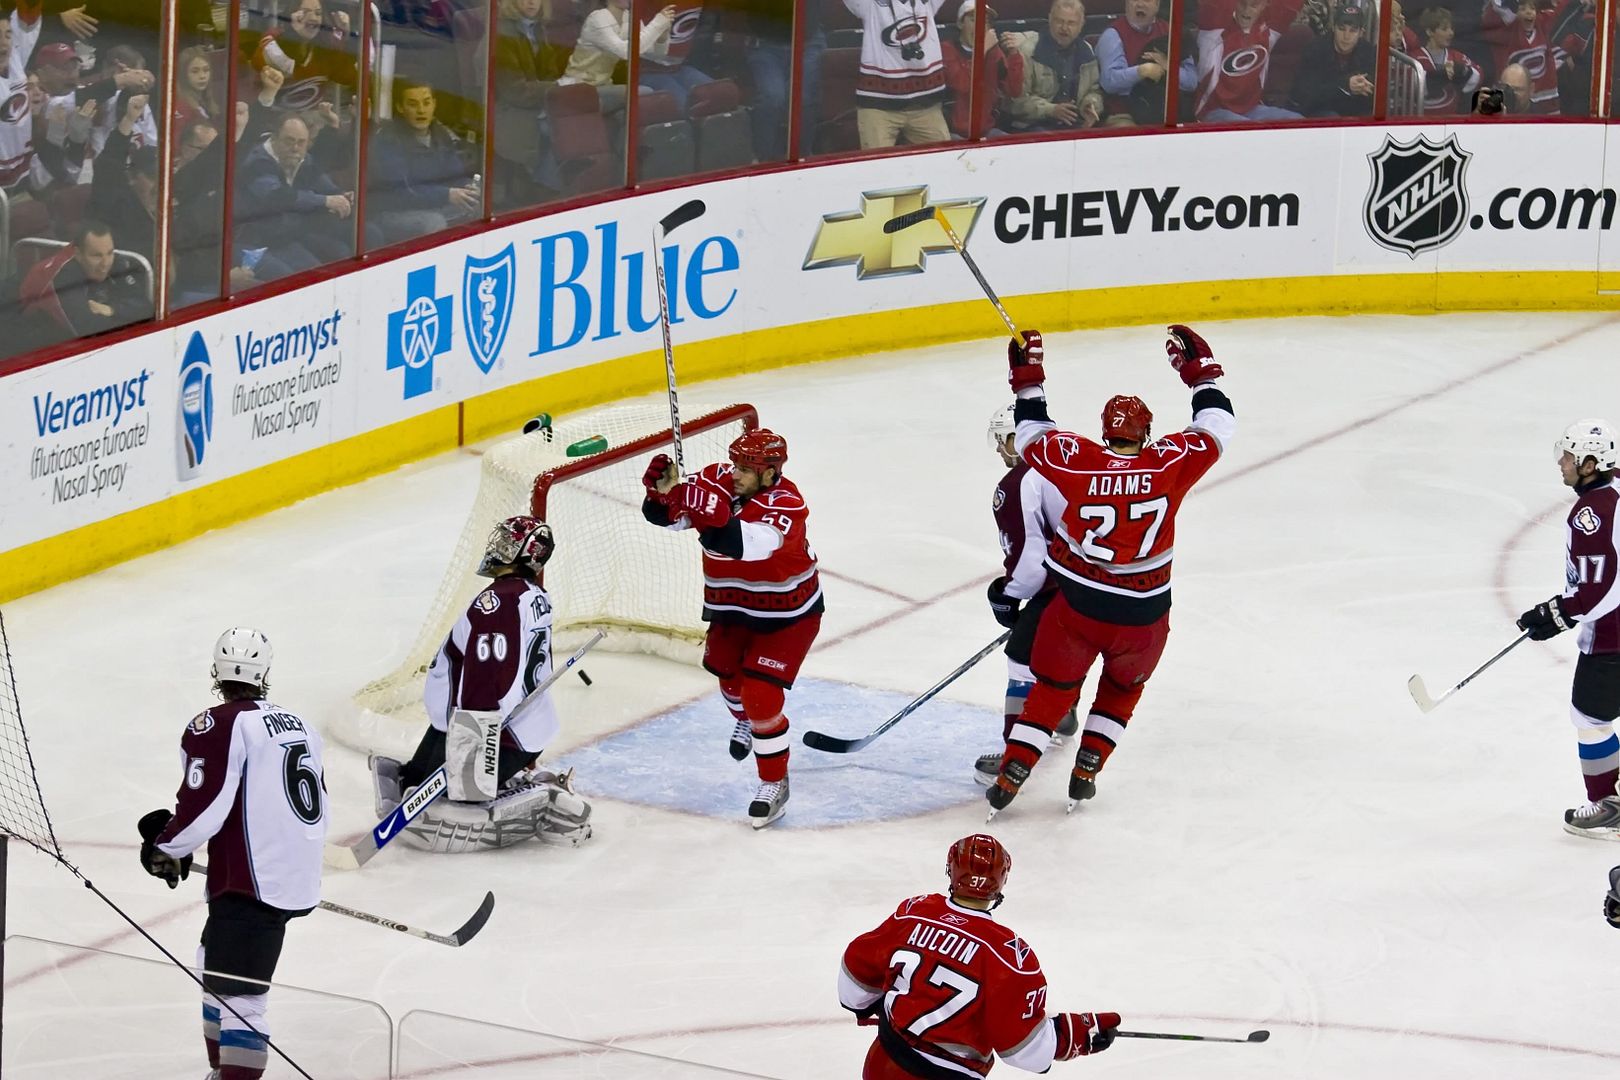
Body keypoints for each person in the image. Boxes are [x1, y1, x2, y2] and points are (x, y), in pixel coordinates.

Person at [984, 325, 1236, 817]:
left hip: (1078, 611)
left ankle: (1013, 772)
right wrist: (1201, 374)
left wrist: (1028, 377)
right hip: (1144, 618)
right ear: (1146, 434)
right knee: (1122, 689)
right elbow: (1218, 425)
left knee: (1052, 689)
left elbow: (1031, 433)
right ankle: (1087, 771)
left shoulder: (1079, 460)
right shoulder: (1169, 463)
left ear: (1105, 432)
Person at [137, 628, 326, 1080]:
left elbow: (205, 805)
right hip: (287, 873)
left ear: (216, 672)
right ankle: (221, 1071)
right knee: (212, 961)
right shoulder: (300, 723)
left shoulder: (217, 724)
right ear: (265, 673)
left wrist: (166, 846)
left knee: (243, 1001)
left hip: (251, 882)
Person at [376, 515, 593, 851]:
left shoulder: (498, 602)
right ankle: (504, 780)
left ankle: (545, 792)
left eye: (508, 543)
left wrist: (474, 739)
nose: (497, 547)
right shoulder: (529, 594)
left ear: (526, 554)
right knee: (413, 783)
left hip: (496, 731)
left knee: (447, 801)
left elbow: (490, 674)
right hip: (479, 723)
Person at [641, 430, 822, 828]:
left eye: (746, 469)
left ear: (770, 473)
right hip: (733, 607)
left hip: (788, 614)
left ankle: (773, 783)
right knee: (728, 678)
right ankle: (747, 719)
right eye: (735, 465)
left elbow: (743, 544)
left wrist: (703, 506)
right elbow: (672, 519)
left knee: (760, 697)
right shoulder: (717, 478)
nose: (736, 474)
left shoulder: (787, 504)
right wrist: (663, 496)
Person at [839, 833, 1121, 1077]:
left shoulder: (914, 912)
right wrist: (1073, 1033)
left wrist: (867, 1005)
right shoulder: (1010, 955)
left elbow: (855, 976)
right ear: (1001, 881)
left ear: (951, 869)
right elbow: (1025, 1051)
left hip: (883, 1063)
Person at [1513, 420, 1620, 839]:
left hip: (1612, 637)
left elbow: (1599, 590)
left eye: (1571, 457)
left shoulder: (1592, 514)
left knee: (1590, 716)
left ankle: (1610, 807)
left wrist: (1557, 613)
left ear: (1591, 464)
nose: (1562, 463)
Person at [975, 404, 1077, 786]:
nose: (1001, 451)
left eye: (1003, 441)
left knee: (1022, 656)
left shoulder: (1019, 482)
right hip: (1111, 580)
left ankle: (1014, 759)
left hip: (1067, 583)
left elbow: (1031, 561)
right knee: (1069, 643)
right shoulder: (1073, 460)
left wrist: (1008, 594)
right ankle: (1063, 709)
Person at [234, 114, 353, 281]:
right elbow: (278, 197)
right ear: (274, 138)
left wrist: (341, 195)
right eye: (289, 141)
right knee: (287, 278)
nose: (295, 148)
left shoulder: (302, 160)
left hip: (283, 238)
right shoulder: (256, 162)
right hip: (250, 242)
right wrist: (325, 201)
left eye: (301, 142)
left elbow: (320, 181)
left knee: (318, 271)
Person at [366, 78, 480, 247]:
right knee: (433, 223)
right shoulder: (387, 140)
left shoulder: (440, 133)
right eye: (413, 104)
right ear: (400, 108)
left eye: (426, 103)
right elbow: (402, 192)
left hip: (433, 203)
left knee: (478, 202)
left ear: (434, 104)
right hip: (392, 211)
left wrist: (467, 187)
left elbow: (455, 173)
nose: (421, 110)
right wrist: (447, 195)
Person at [842, 0, 951, 149]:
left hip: (925, 106)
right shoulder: (870, 5)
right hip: (878, 107)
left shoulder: (927, 2)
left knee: (944, 158)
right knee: (876, 162)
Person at [20, 219, 150, 340]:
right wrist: (128, 316)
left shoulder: (116, 262)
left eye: (110, 253)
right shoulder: (63, 277)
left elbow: (147, 308)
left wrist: (111, 309)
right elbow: (89, 329)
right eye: (97, 256)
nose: (105, 263)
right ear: (78, 254)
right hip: (43, 337)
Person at [1193, 0, 1305, 123]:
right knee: (1248, 128)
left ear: (1264, 5)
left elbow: (1290, 4)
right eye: (1242, 3)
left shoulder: (1269, 31)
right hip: (1213, 111)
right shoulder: (1213, 32)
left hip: (1251, 110)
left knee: (1299, 122)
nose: (1246, 10)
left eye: (1254, 5)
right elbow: (1216, 5)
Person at [559, 0, 676, 116]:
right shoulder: (597, 19)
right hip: (577, 88)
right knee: (643, 93)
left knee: (632, 110)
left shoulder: (630, 18)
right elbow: (625, 52)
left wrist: (662, 35)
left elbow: (655, 53)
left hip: (602, 86)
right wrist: (657, 24)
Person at [1002, 0, 1104, 132]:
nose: (1064, 28)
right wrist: (1051, 110)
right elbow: (1015, 102)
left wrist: (1090, 105)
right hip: (1033, 126)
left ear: (1081, 25)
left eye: (1071, 23)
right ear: (1050, 19)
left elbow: (1094, 90)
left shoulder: (1087, 51)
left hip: (1074, 123)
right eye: (1059, 21)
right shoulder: (1028, 51)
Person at [1096, 0, 1196, 126]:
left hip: (1168, 112)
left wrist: (1168, 66)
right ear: (1126, 4)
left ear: (1157, 5)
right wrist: (1141, 71)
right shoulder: (1113, 35)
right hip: (1125, 113)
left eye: (1147, 0)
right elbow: (1109, 82)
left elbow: (1191, 82)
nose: (1140, 4)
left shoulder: (1171, 32)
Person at [1480, 0, 1590, 115]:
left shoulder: (1543, 24)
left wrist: (1579, 1)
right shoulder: (1508, 31)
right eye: (1522, 9)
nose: (1528, 12)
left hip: (1546, 101)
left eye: (1532, 8)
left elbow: (1559, 15)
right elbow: (1497, 10)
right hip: (1514, 100)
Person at [941, 0, 1025, 138]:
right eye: (973, 20)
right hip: (954, 132)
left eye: (985, 22)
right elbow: (963, 84)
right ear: (960, 24)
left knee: (1014, 145)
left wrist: (1014, 54)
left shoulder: (993, 52)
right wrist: (982, 50)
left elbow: (1014, 91)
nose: (980, 26)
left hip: (987, 130)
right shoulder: (946, 49)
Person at [1291, 2, 1376, 117]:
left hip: (1353, 111)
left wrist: (1368, 88)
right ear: (1333, 28)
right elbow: (1306, 95)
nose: (1346, 36)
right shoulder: (1315, 49)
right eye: (1341, 29)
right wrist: (1344, 85)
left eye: (1352, 31)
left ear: (1361, 33)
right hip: (1318, 111)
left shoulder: (1368, 51)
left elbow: (1374, 94)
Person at [1413, 7, 1482, 114]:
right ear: (1429, 32)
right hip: (1420, 117)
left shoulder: (1456, 57)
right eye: (1444, 29)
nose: (1451, 33)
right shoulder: (1415, 58)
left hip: (1452, 117)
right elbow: (1411, 87)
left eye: (1451, 29)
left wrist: (1464, 71)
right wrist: (1440, 75)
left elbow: (1479, 75)